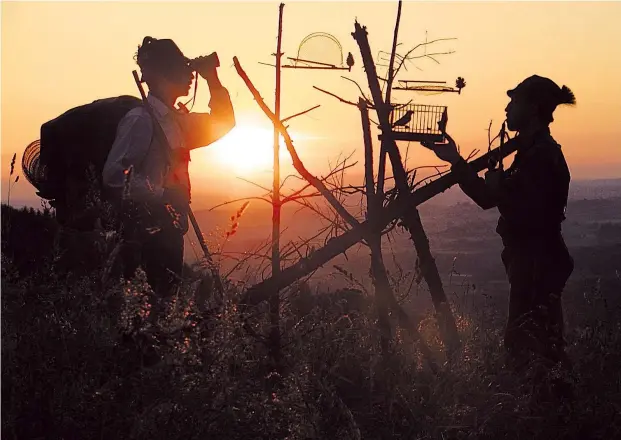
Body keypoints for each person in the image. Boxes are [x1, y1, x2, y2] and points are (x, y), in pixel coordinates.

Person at [423, 75, 576, 368]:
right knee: (541, 343)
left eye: (514, 101)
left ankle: (551, 408)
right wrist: (456, 161)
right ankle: (556, 405)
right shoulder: (532, 152)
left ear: (532, 108)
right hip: (533, 260)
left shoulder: (541, 156)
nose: (507, 108)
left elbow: (509, 204)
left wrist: (493, 184)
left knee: (530, 346)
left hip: (537, 261)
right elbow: (489, 196)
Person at [102, 36, 235, 315]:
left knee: (161, 313)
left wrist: (212, 79)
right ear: (164, 74)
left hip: (169, 234)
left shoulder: (177, 121)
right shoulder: (141, 120)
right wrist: (162, 194)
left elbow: (224, 123)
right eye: (181, 68)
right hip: (142, 237)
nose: (189, 76)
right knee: (146, 318)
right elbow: (114, 175)